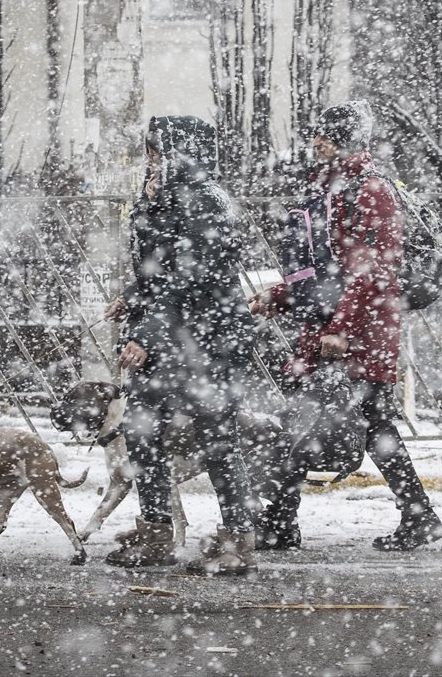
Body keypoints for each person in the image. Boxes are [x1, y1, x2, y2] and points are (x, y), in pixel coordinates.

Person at [249, 100, 442, 552]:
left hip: (360, 327)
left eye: (326, 136)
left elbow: (371, 269)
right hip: (336, 325)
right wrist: (277, 296)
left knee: (356, 418)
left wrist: (340, 328)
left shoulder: (369, 189)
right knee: (349, 419)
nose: (316, 143)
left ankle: (281, 520)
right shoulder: (328, 187)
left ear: (345, 141)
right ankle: (415, 515)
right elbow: (321, 269)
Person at [103, 115, 260, 575]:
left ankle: (236, 539)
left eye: (157, 152)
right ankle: (155, 532)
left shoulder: (205, 202)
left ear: (181, 154)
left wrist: (144, 337)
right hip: (172, 333)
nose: (149, 162)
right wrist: (131, 298)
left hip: (208, 340)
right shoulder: (162, 198)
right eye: (149, 153)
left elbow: (188, 281)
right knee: (142, 430)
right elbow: (159, 274)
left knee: (217, 440)